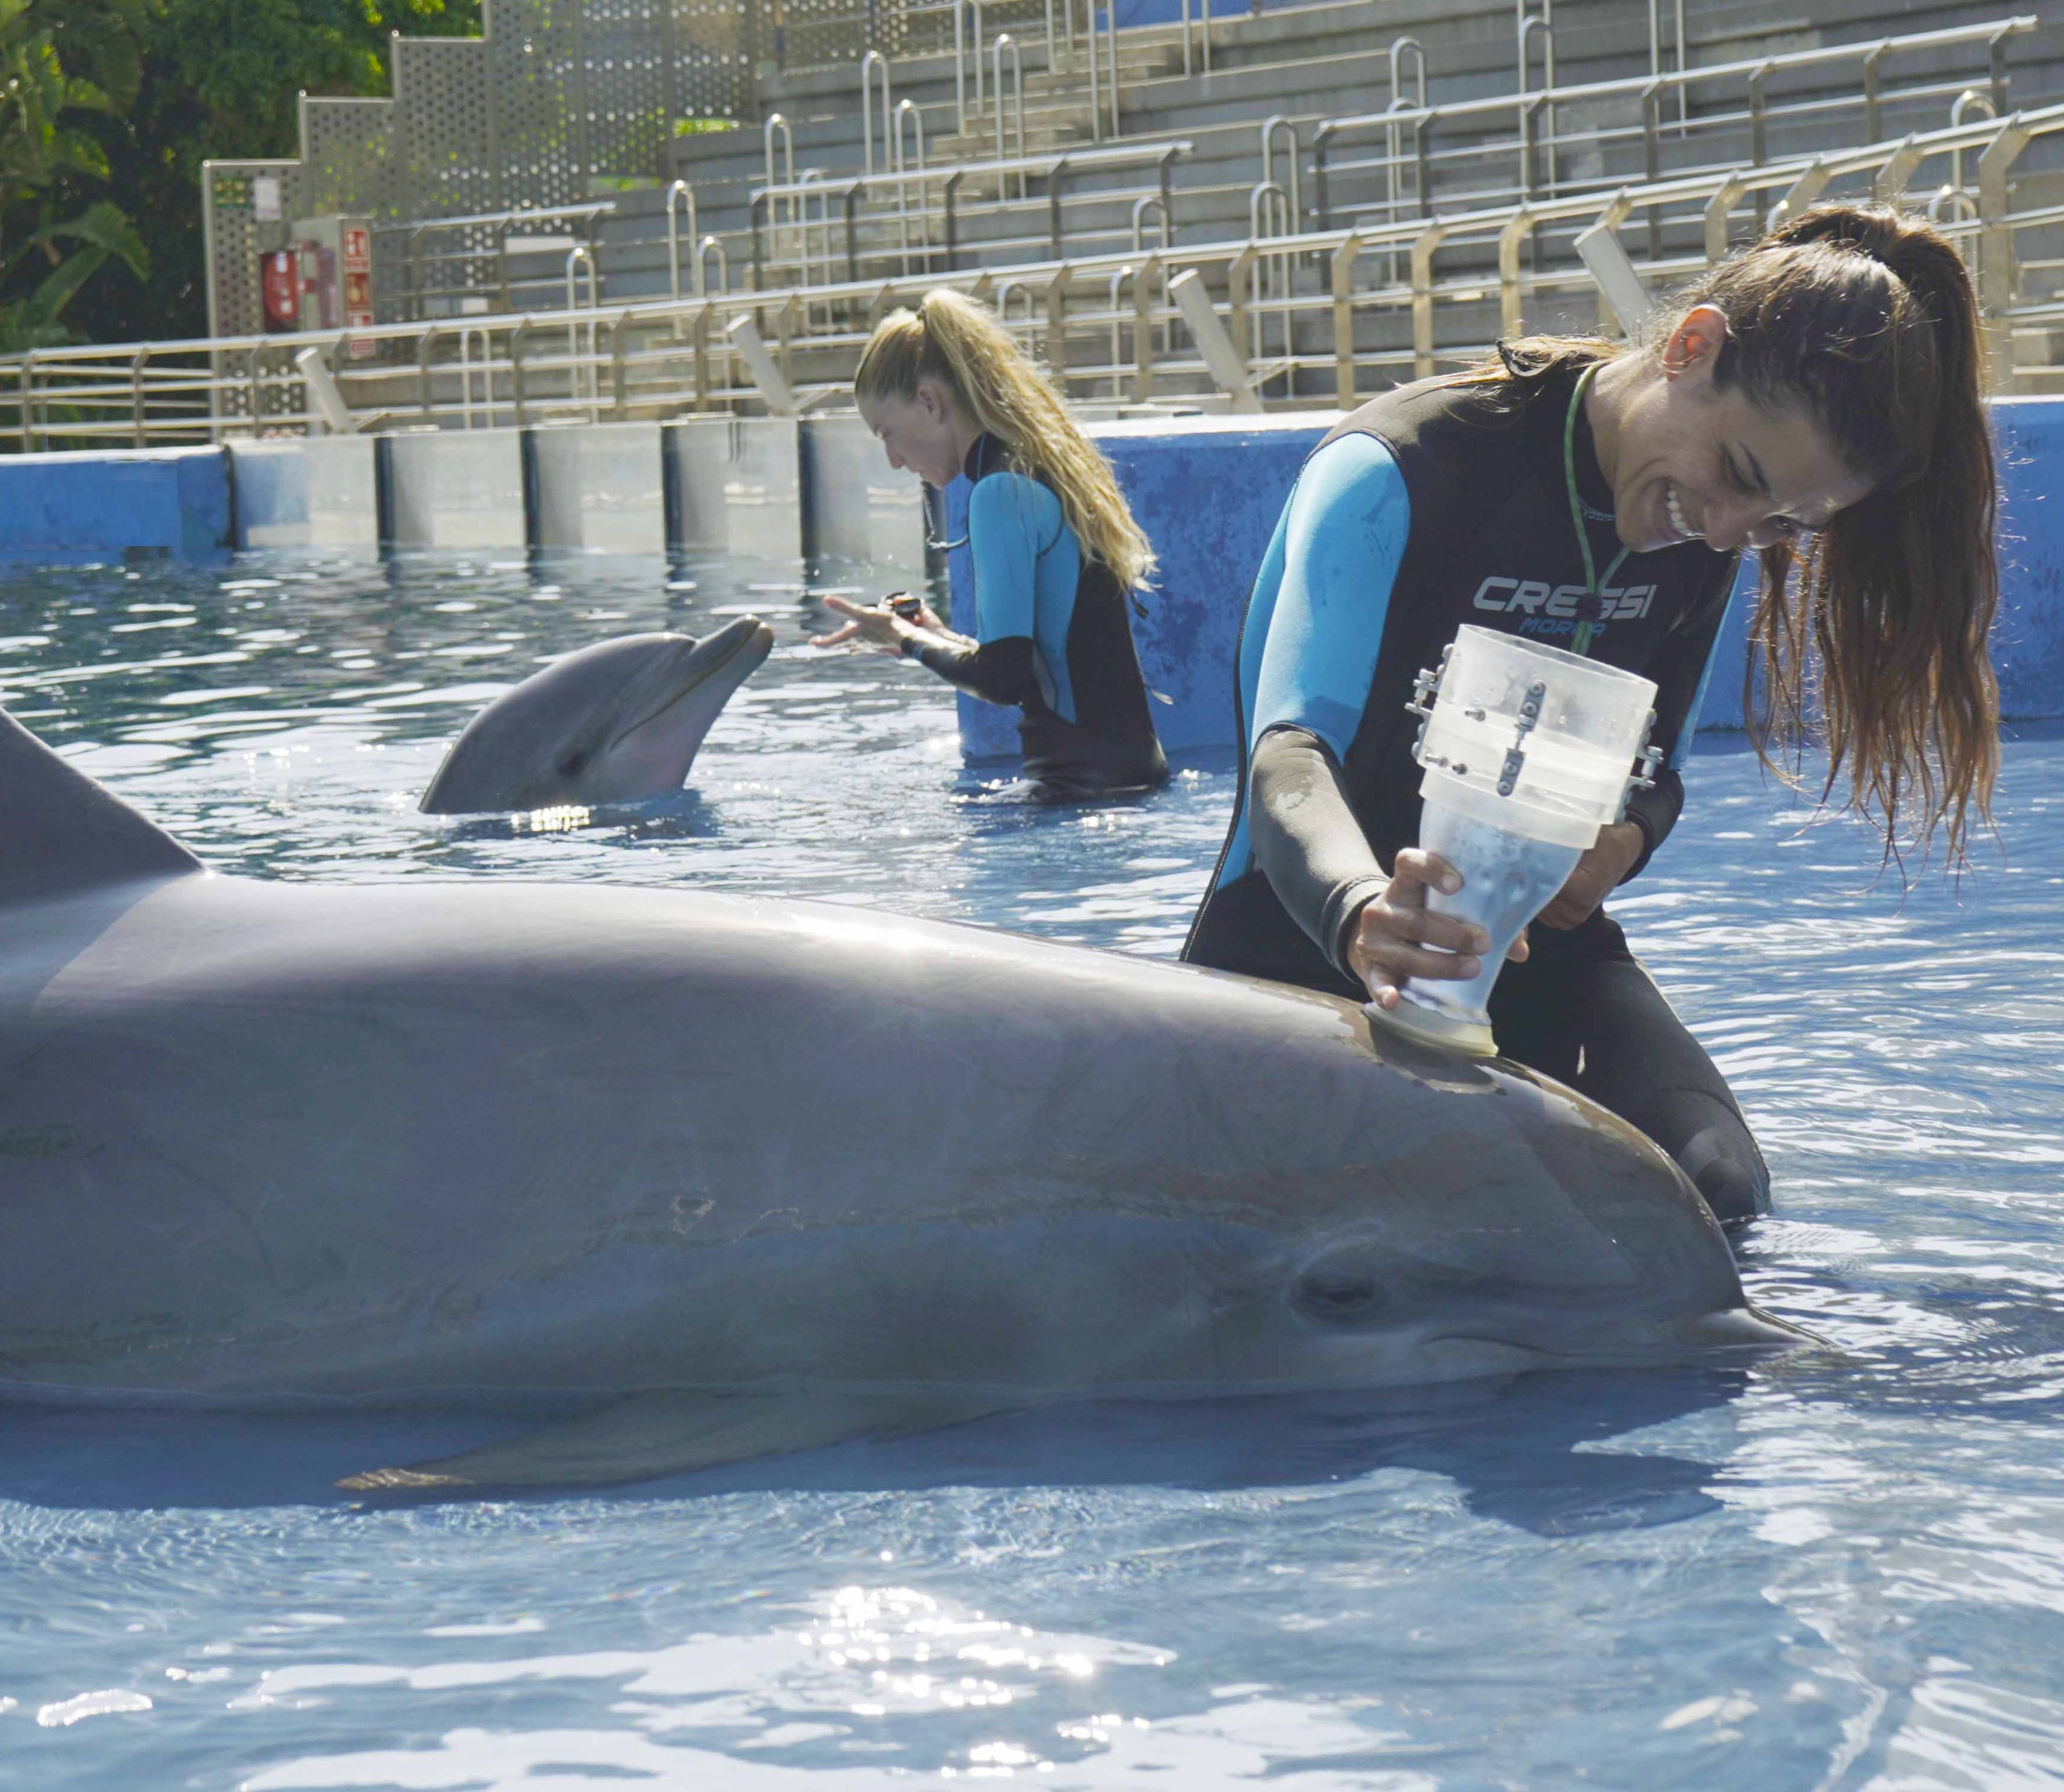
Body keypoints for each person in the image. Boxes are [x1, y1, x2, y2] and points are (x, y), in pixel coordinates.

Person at [1181, 206, 2002, 1222]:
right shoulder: (1404, 467)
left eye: (1782, 522)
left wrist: (1616, 849)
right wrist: (1362, 913)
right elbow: (1289, 758)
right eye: (1738, 476)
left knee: (1716, 1191)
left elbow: (1653, 775)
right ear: (1693, 347)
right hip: (1299, 943)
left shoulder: (1707, 542)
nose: (1727, 530)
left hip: (1518, 960)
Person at [813, 290, 1171, 796]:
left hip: (1083, 790)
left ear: (930, 401)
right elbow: (1034, 663)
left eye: (887, 433)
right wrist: (938, 635)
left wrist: (905, 638)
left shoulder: (999, 493)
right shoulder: (1036, 466)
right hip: (1124, 778)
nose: (894, 458)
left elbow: (1003, 678)